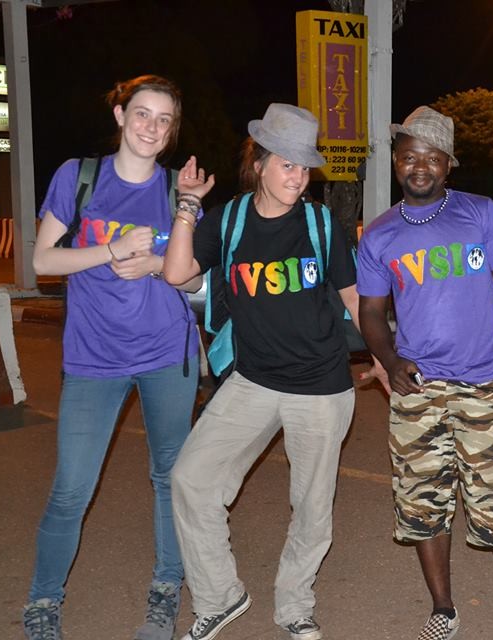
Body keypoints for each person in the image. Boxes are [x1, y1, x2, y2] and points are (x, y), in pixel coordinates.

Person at [163, 103, 382, 640]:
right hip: (252, 381)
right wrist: (187, 206)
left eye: (304, 167)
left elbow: (353, 296)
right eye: (286, 164)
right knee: (192, 481)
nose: (297, 176)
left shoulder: (321, 223)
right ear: (259, 163)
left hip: (323, 388)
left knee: (310, 508)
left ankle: (295, 606)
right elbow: (176, 274)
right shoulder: (230, 220)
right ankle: (221, 596)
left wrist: (384, 353)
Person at [23, 74, 202, 640]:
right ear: (121, 115)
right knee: (71, 487)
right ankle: (44, 600)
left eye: (164, 119)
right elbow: (44, 263)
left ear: (172, 131)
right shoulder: (79, 177)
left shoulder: (179, 189)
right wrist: (110, 250)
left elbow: (196, 275)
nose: (151, 127)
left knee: (171, 478)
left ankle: (166, 589)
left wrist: (158, 258)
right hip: (93, 357)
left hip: (166, 354)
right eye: (142, 114)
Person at [357, 106, 493, 640]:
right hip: (419, 392)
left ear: (448, 164)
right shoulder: (380, 234)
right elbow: (369, 312)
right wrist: (390, 361)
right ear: (397, 161)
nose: (419, 166)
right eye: (409, 156)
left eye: (432, 158)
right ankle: (443, 608)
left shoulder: (481, 214)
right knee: (422, 504)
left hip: (485, 384)